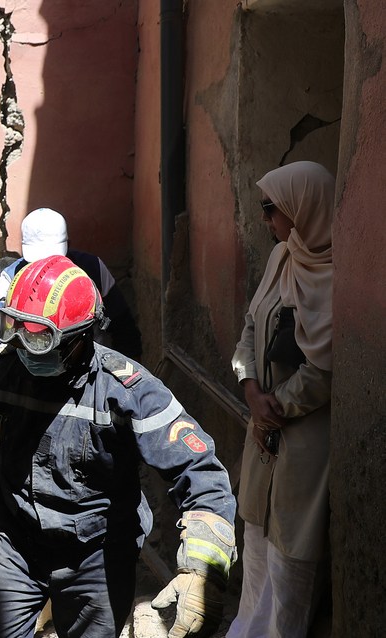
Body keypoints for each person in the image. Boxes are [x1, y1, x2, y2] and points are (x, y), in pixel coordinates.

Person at [0, 255, 237, 638]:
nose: (25, 347)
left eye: (40, 337)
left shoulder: (128, 392)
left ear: (80, 338)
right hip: (16, 540)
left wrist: (202, 570)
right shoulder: (6, 373)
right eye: (17, 329)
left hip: (97, 551)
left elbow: (200, 469)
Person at [226, 161, 335, 638]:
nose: (266, 219)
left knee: (291, 562)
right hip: (263, 427)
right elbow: (251, 327)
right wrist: (250, 389)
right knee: (255, 550)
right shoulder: (281, 259)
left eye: (272, 209)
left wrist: (275, 409)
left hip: (304, 440)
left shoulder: (336, 274)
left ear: (301, 208)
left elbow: (325, 370)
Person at [0, 207, 142, 377]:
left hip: (87, 375)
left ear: (68, 245)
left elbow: (124, 330)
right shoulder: (10, 277)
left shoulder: (93, 269)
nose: (44, 267)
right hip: (26, 379)